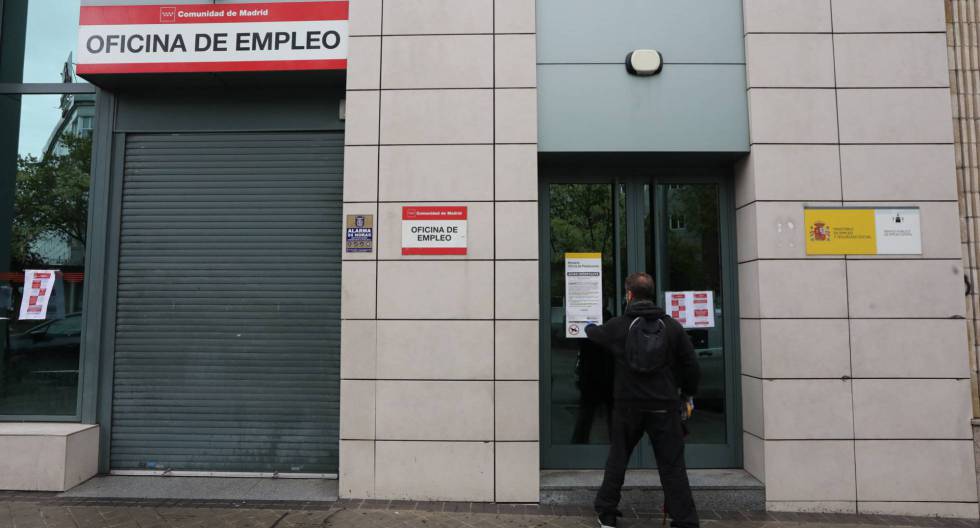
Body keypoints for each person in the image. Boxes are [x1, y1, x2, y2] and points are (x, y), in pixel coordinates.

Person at [584, 272, 700, 528]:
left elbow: (594, 334)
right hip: (664, 406)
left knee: (618, 459)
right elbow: (691, 366)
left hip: (628, 406)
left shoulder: (619, 326)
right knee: (672, 466)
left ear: (629, 294)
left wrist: (587, 325)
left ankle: (607, 513)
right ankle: (685, 520)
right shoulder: (672, 327)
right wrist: (687, 394)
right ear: (652, 293)